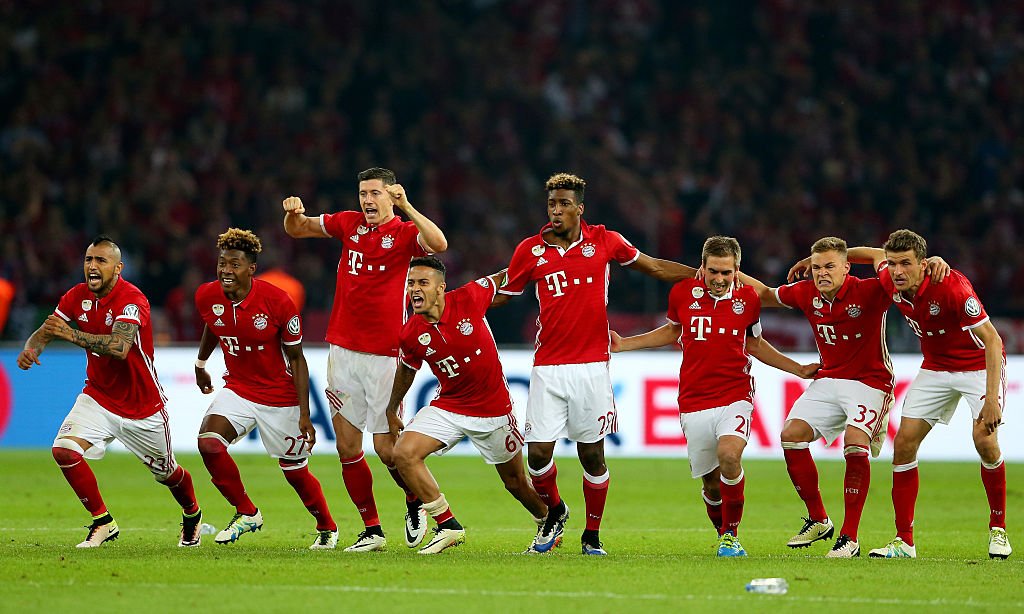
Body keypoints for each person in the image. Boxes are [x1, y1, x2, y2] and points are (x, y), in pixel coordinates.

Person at [492, 172, 695, 555]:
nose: (556, 210)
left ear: (579, 208)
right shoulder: (529, 250)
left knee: (592, 456)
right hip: (548, 367)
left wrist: (699, 275)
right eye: (551, 204)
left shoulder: (605, 241)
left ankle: (592, 535)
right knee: (537, 457)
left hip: (591, 366)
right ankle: (556, 512)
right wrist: (462, 302)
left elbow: (654, 267)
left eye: (564, 204)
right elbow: (506, 293)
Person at [610, 236, 819, 557]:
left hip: (736, 394)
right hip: (693, 399)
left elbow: (754, 344)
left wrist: (798, 369)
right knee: (710, 483)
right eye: (713, 272)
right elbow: (672, 330)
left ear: (737, 270)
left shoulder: (748, 299)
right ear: (703, 268)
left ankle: (732, 536)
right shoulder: (682, 293)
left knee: (729, 456)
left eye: (726, 273)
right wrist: (625, 344)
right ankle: (723, 533)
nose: (719, 279)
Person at [283, 167, 447, 551]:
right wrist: (292, 213)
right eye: (363, 194)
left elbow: (438, 243)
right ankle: (372, 529)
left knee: (387, 450)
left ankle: (413, 500)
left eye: (375, 193)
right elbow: (298, 229)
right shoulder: (348, 223)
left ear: (391, 195)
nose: (368, 200)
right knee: (347, 448)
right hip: (342, 350)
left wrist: (408, 207)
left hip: (385, 355)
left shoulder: (404, 233)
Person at [830, 230, 1010, 560]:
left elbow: (993, 341)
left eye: (906, 264)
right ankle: (904, 542)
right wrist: (824, 260)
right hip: (936, 368)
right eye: (893, 263)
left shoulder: (952, 287)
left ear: (923, 265)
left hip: (977, 367)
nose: (897, 271)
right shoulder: (890, 278)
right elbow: (872, 254)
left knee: (984, 441)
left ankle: (998, 529)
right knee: (904, 444)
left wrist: (990, 398)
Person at [16, 236, 202, 548]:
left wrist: (71, 334)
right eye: (89, 259)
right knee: (64, 450)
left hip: (142, 406)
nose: (92, 266)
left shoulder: (132, 300)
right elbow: (49, 329)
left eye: (101, 260)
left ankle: (192, 514)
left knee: (167, 473)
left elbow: (119, 347)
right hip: (98, 397)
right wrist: (32, 347)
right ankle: (103, 521)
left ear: (118, 268)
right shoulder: (76, 296)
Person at [386, 257, 559, 554]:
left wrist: (542, 261)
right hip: (449, 406)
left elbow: (506, 275)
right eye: (411, 283)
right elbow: (407, 369)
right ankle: (448, 525)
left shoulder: (468, 297)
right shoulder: (410, 332)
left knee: (515, 483)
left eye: (423, 283)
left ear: (440, 288)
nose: (414, 289)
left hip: (493, 411)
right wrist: (392, 408)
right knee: (403, 453)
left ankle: (548, 521)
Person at [741, 236, 900, 558]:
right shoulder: (805, 292)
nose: (822, 273)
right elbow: (764, 294)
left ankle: (850, 537)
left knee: (854, 442)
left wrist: (843, 253)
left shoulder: (871, 290)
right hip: (828, 379)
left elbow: (881, 255)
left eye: (829, 266)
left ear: (846, 268)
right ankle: (818, 519)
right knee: (791, 436)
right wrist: (732, 271)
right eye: (816, 267)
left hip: (870, 382)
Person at [194, 228, 338, 549]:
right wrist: (201, 364)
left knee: (295, 472)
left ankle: (327, 527)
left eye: (234, 265)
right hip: (238, 389)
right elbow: (214, 323)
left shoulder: (278, 302)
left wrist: (305, 414)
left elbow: (297, 359)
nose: (226, 270)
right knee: (209, 444)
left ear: (251, 269)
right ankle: (247, 512)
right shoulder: (207, 294)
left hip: (279, 397)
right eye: (222, 263)